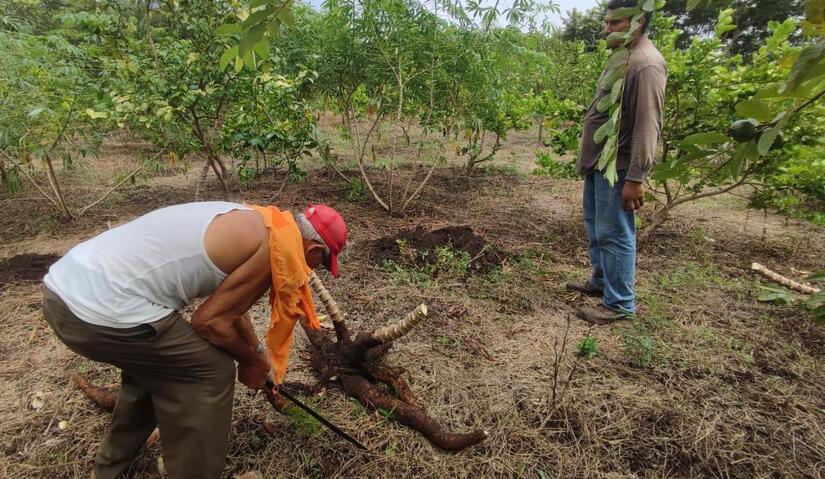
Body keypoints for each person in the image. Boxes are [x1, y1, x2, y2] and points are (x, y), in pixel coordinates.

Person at [41, 201, 348, 479]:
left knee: (158, 366)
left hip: (66, 288)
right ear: (313, 250)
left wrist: (257, 353)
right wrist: (249, 362)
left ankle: (109, 468)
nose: (312, 269)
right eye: (321, 262)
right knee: (212, 369)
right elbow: (209, 322)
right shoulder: (276, 249)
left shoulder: (261, 222)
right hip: (95, 309)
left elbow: (230, 309)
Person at [567, 0, 667, 324]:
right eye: (606, 22)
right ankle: (600, 282)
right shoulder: (623, 58)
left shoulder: (645, 64)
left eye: (614, 23)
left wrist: (636, 177)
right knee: (597, 227)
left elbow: (647, 124)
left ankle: (620, 302)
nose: (606, 29)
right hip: (601, 162)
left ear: (636, 23)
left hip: (619, 166)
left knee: (616, 233)